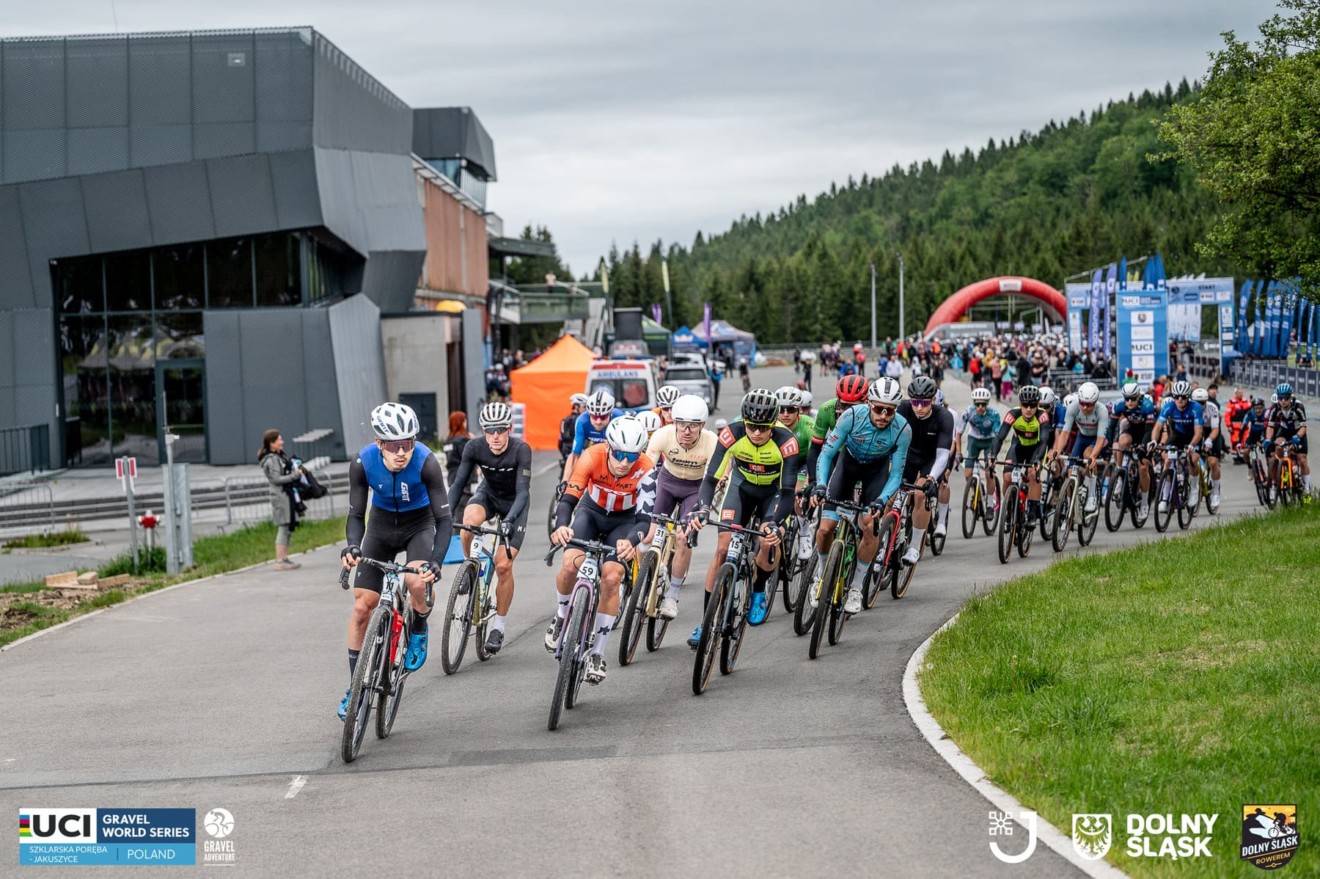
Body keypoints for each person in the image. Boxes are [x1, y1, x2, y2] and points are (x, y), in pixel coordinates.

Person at [338, 402, 453, 719]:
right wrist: (352, 546)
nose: (401, 452)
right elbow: (355, 515)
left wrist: (436, 562)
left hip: (419, 525)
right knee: (362, 607)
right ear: (379, 443)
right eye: (393, 445)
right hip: (381, 526)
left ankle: (418, 628)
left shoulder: (426, 462)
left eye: (407, 443)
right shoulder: (362, 463)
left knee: (415, 581)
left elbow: (444, 521)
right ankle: (355, 690)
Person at [547, 418, 654, 685]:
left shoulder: (646, 468)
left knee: (612, 577)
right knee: (570, 564)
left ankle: (597, 652)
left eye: (632, 456)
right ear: (608, 447)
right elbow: (568, 500)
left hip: (624, 521)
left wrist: (631, 541)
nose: (624, 462)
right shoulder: (591, 456)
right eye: (619, 454)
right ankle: (561, 615)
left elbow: (644, 520)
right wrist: (561, 526)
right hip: (591, 513)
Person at [689, 390, 800, 640]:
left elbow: (788, 492)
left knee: (767, 541)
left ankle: (759, 588)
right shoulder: (732, 433)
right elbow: (711, 479)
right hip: (741, 488)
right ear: (744, 422)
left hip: (773, 493)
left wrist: (775, 524)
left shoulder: (786, 441)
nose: (757, 433)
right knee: (722, 549)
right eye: (751, 426)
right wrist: (704, 508)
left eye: (763, 428)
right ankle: (705, 623)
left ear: (773, 424)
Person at [813, 377, 910, 612]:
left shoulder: (903, 430)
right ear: (869, 404)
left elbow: (896, 475)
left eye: (889, 411)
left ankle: (856, 587)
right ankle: (821, 574)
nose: (883, 416)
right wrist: (821, 485)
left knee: (869, 525)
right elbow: (826, 454)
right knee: (825, 529)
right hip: (847, 466)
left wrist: (881, 501)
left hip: (876, 472)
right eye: (879, 409)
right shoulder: (851, 416)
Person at [446, 402, 532, 655]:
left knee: (503, 566)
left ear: (509, 429)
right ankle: (470, 567)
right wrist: (445, 515)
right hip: (489, 495)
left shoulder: (521, 450)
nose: (495, 436)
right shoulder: (474, 447)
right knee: (468, 522)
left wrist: (509, 520)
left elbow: (523, 492)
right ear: (483, 430)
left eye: (501, 430)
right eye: (489, 430)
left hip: (515, 503)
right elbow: (458, 484)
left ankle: (498, 627)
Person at [643, 395, 718, 619]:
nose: (686, 431)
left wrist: (704, 508)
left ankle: (672, 596)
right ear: (674, 422)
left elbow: (713, 479)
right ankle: (643, 579)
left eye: (693, 426)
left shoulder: (711, 441)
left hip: (695, 489)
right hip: (667, 483)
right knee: (647, 535)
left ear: (702, 426)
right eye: (682, 424)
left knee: (683, 538)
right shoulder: (662, 435)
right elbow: (646, 469)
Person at [896, 376, 956, 553]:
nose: (919, 407)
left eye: (924, 403)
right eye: (915, 402)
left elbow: (943, 454)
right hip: (909, 454)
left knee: (920, 494)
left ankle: (914, 547)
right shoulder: (903, 408)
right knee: (892, 495)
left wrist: (931, 478)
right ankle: (888, 536)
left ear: (933, 400)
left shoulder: (944, 416)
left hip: (931, 458)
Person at [991, 385, 1053, 525]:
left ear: (1038, 404)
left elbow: (1044, 441)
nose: (1028, 409)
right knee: (1007, 477)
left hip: (1036, 448)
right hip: (1018, 446)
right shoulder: (1013, 414)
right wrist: (993, 456)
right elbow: (1000, 437)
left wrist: (1038, 460)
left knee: (1033, 474)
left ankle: (1032, 512)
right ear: (1020, 404)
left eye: (1032, 405)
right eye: (1025, 405)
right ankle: (1009, 507)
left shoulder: (1042, 416)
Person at [1050, 381, 1110, 513]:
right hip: (1082, 436)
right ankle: (1070, 504)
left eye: (1089, 404)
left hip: (1098, 438)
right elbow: (1065, 433)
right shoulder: (1073, 407)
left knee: (1088, 456)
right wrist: (1057, 451)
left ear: (1095, 402)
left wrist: (1093, 456)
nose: (1085, 407)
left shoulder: (1102, 411)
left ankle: (1092, 495)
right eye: (1082, 403)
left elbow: (1101, 439)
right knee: (1071, 471)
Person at [1150, 380, 1204, 514]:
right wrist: (1154, 441)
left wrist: (1191, 445)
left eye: (1183, 397)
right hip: (1178, 435)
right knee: (1167, 460)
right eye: (1176, 396)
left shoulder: (1195, 407)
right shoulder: (1169, 407)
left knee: (1192, 459)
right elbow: (1158, 426)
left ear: (1188, 397)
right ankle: (1165, 497)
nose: (1180, 399)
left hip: (1193, 436)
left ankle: (1194, 488)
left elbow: (1198, 432)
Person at [258, 429, 306, 571]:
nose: (282, 442)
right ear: (271, 443)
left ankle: (284, 558)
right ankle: (279, 561)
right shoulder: (272, 460)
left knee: (288, 527)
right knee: (284, 527)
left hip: (286, 495)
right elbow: (276, 479)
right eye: (279, 439)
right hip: (280, 497)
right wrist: (295, 475)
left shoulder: (278, 457)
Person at [561, 389, 622, 484]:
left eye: (603, 417)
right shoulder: (582, 421)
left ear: (610, 413)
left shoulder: (620, 420)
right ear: (589, 414)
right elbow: (575, 456)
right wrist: (565, 481)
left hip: (614, 456)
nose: (598, 421)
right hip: (593, 454)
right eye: (594, 417)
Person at [1264, 382, 1310, 492]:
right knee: (1278, 448)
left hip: (1298, 431)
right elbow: (1270, 426)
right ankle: (1284, 470)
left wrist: (1298, 436)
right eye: (1280, 398)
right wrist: (1268, 439)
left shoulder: (1298, 406)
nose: (1283, 400)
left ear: (1291, 397)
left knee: (1302, 460)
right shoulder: (1275, 407)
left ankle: (1307, 489)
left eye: (1286, 397)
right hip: (1284, 430)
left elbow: (1304, 427)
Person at [960, 387, 1001, 490]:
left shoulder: (994, 414)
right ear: (974, 403)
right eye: (977, 404)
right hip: (973, 440)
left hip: (989, 441)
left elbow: (999, 436)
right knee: (968, 473)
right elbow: (958, 433)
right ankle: (977, 491)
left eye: (983, 404)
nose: (980, 407)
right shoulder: (968, 412)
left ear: (987, 403)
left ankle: (990, 500)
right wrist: (958, 452)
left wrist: (994, 454)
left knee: (989, 473)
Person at [1191, 388, 1223, 506]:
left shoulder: (1212, 408)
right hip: (1196, 431)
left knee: (1213, 462)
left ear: (1206, 401)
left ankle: (1216, 493)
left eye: (1202, 402)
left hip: (1211, 431)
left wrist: (1209, 440)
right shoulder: (1189, 407)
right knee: (1191, 459)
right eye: (1197, 402)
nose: (1200, 405)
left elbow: (1215, 429)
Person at [442, 412, 477, 518]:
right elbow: (469, 458)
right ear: (461, 422)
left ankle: (453, 528)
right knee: (462, 511)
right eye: (465, 421)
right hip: (464, 479)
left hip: (452, 478)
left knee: (455, 508)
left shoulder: (448, 441)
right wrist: (473, 442)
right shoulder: (463, 440)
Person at [558, 393, 589, 467]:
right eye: (584, 406)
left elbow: (560, 441)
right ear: (576, 406)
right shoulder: (580, 420)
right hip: (573, 454)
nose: (587, 409)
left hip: (568, 453)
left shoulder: (565, 419)